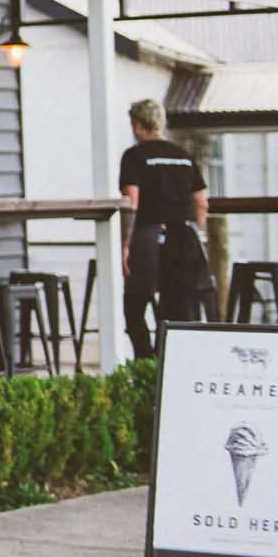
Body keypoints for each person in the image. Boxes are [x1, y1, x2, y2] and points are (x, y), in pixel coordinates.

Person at [120, 96, 208, 361]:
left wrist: (125, 244)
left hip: (150, 236)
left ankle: (146, 363)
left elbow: (131, 203)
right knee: (178, 306)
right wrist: (197, 232)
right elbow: (201, 203)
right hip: (184, 235)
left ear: (136, 125)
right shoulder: (182, 155)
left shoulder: (134, 156)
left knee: (136, 303)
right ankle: (171, 365)